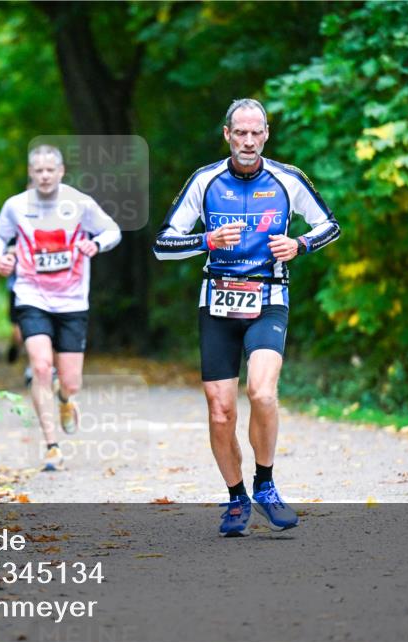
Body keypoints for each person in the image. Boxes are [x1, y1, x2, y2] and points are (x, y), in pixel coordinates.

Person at [153, 98, 340, 536]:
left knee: (262, 393)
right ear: (227, 135)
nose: (249, 141)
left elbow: (329, 225)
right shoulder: (205, 181)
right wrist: (208, 239)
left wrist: (301, 245)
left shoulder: (287, 180)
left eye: (257, 133)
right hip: (217, 301)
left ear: (267, 134)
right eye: (241, 133)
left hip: (269, 295)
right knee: (220, 412)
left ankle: (267, 485)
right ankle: (237, 499)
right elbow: (162, 243)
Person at [0, 145, 121, 471]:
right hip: (32, 297)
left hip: (73, 301)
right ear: (31, 174)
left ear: (61, 172)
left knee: (71, 381)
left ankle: (65, 398)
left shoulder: (79, 203)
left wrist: (96, 243)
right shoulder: (16, 206)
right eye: (38, 171)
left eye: (50, 170)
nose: (44, 176)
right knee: (42, 368)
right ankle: (51, 447)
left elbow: (113, 230)